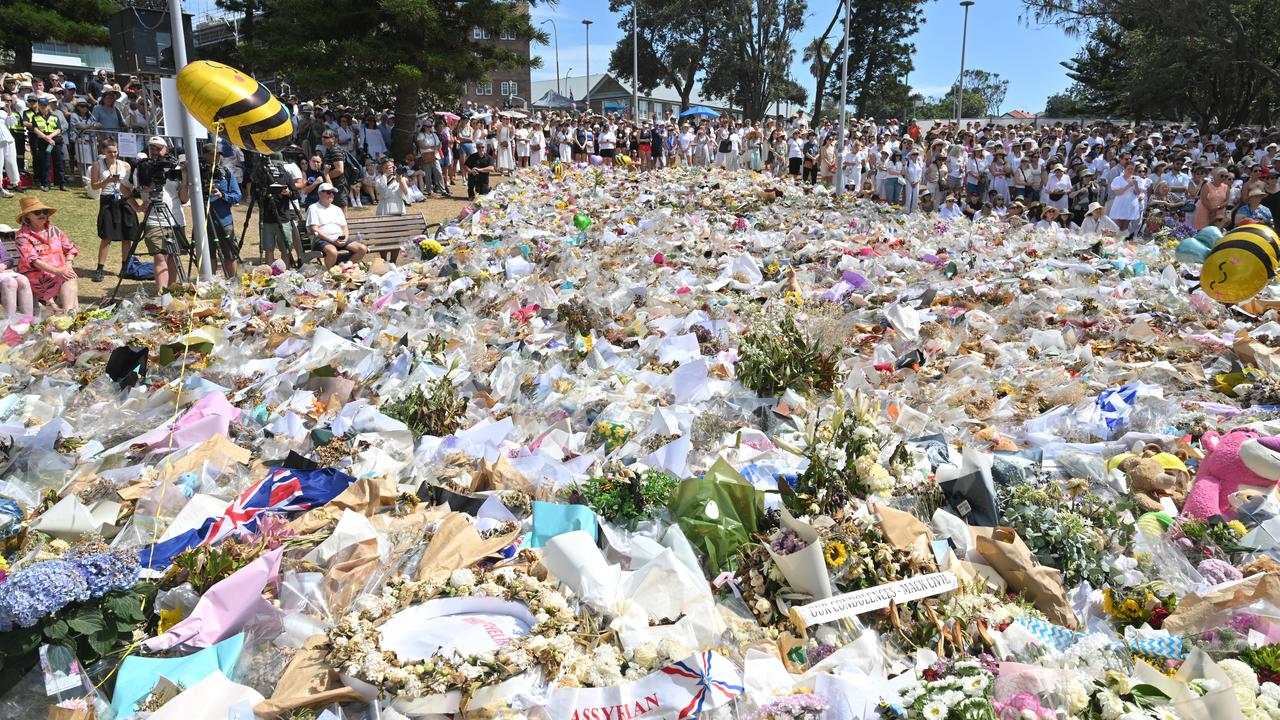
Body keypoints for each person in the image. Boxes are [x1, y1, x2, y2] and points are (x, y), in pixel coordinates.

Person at [130, 136, 188, 295]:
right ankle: (163, 296)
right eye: (152, 148)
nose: (155, 151)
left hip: (175, 218)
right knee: (160, 257)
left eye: (158, 148)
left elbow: (184, 199)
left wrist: (184, 177)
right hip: (154, 220)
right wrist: (137, 206)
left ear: (166, 150)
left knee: (174, 256)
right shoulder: (142, 167)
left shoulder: (174, 168)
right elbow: (125, 187)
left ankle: (173, 292)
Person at [14, 196, 78, 311]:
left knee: (69, 275)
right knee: (68, 278)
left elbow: (70, 249)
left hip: (59, 272)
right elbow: (33, 261)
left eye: (45, 212)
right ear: (27, 216)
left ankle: (68, 315)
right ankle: (69, 315)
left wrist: (68, 264)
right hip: (35, 275)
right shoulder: (22, 236)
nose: (42, 214)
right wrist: (58, 272)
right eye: (37, 212)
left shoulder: (55, 230)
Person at [88, 140, 138, 282]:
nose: (113, 154)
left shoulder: (125, 165)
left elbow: (131, 185)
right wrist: (107, 181)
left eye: (115, 151)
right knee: (107, 236)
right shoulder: (97, 165)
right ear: (103, 151)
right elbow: (94, 186)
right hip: (108, 201)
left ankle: (125, 267)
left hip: (124, 200)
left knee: (127, 235)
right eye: (110, 151)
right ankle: (100, 268)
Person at [202, 144, 242, 277]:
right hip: (205, 221)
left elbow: (237, 196)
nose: (216, 158)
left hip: (224, 220)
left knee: (230, 253)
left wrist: (222, 195)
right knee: (209, 255)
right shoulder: (198, 173)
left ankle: (233, 282)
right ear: (205, 155)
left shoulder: (226, 172)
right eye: (213, 155)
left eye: (218, 155)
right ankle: (210, 283)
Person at [306, 182, 366, 268]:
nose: (331, 195)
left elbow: (344, 227)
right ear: (319, 193)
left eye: (333, 193)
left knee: (362, 249)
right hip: (322, 240)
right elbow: (314, 229)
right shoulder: (313, 208)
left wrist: (345, 238)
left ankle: (344, 268)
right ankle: (331, 274)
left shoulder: (337, 209)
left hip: (339, 239)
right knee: (332, 251)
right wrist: (332, 240)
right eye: (328, 192)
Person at [28, 97, 65, 192]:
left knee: (59, 163)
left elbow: (58, 129)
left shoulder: (55, 117)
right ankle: (46, 184)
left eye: (45, 105)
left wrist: (50, 137)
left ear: (48, 106)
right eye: (41, 105)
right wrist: (47, 138)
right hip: (44, 142)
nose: (43, 107)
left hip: (55, 141)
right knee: (46, 163)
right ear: (38, 106)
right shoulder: (35, 117)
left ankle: (61, 184)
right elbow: (36, 129)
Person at [0, 224, 34, 320]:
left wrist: (4, 265)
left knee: (24, 280)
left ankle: (28, 322)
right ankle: (10, 323)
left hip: (3, 273)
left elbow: (8, 259)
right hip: (4, 277)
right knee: (10, 283)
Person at [1193, 166, 1231, 231]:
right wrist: (1211, 209)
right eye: (1222, 176)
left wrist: (1218, 207)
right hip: (1205, 210)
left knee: (1216, 231)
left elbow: (1226, 200)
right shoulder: (1207, 185)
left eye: (1226, 176)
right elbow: (1203, 199)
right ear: (1215, 175)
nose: (1224, 178)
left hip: (1219, 212)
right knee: (1202, 230)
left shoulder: (1226, 187)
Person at [0, 92, 18, 196]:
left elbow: (12, 123)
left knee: (11, 162)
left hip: (8, 139)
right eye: (7, 100)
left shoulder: (6, 113)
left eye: (10, 100)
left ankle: (14, 183)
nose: (9, 102)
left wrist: (9, 110)